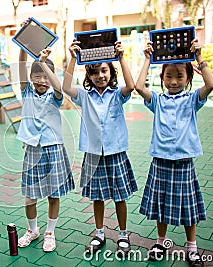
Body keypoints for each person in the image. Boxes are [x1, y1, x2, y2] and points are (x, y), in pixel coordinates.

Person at [135, 39, 213, 267]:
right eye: (169, 76)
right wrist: (148, 59)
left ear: (189, 78)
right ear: (162, 78)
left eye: (180, 76)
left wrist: (199, 57)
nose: (173, 81)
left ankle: (192, 247)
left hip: (183, 162)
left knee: (188, 207)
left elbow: (210, 85)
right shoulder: (158, 101)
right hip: (160, 160)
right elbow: (140, 87)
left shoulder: (191, 100)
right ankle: (161, 242)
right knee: (161, 204)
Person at [62, 40, 137, 257]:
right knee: (97, 196)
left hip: (116, 153)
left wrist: (121, 57)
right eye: (94, 72)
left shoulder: (116, 95)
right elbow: (66, 87)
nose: (100, 75)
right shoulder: (85, 97)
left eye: (104, 70)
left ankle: (123, 235)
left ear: (111, 72)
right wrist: (73, 58)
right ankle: (100, 233)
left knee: (120, 196)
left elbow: (131, 86)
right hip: (94, 154)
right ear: (89, 76)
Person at [16, 25, 75, 252]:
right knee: (30, 196)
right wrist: (23, 43)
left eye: (45, 76)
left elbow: (59, 86)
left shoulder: (55, 96)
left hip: (53, 149)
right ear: (31, 78)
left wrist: (44, 63)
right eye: (37, 75)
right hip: (33, 149)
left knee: (53, 194)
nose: (41, 80)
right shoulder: (27, 92)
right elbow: (21, 67)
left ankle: (50, 231)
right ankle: (33, 229)